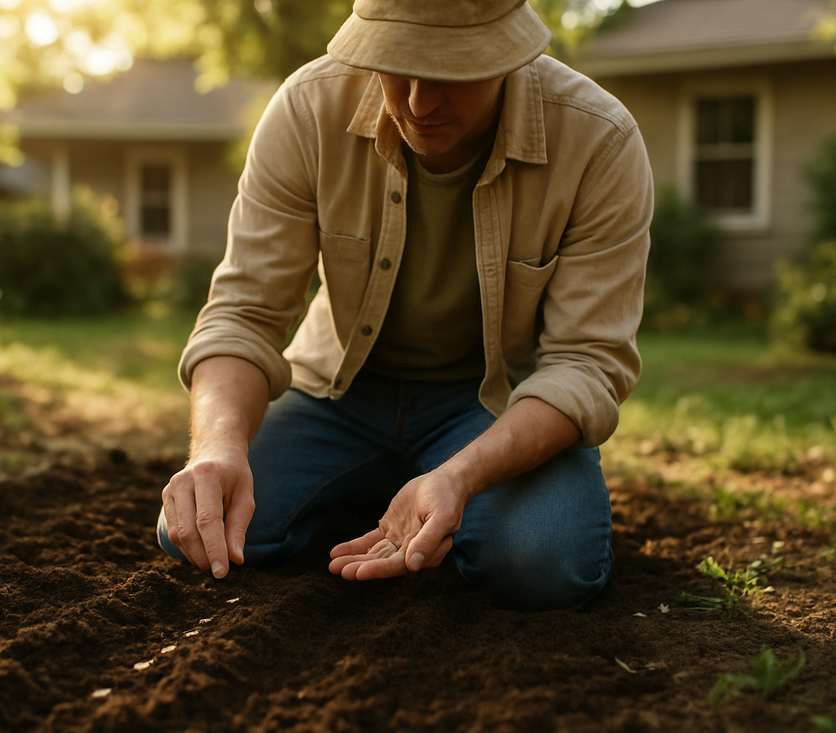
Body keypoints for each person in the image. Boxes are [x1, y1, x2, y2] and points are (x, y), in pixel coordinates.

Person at [157, 0, 653, 612]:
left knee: (539, 564)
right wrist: (217, 451)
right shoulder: (308, 109)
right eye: (395, 66)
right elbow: (244, 313)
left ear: (509, 56)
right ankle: (394, 493)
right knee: (205, 528)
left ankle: (430, 490)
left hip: (498, 408)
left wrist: (460, 476)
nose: (419, 102)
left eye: (450, 71)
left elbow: (586, 363)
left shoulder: (599, 139)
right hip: (337, 395)